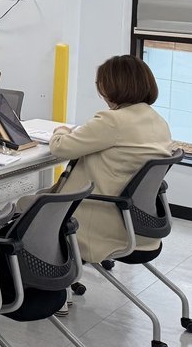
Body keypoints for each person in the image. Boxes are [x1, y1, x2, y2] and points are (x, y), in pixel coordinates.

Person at [50, 55, 172, 263]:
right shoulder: (158, 121)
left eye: (100, 83)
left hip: (103, 228)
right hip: (139, 228)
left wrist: (60, 130)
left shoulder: (113, 121)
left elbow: (60, 147)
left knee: (26, 212)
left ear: (111, 86)